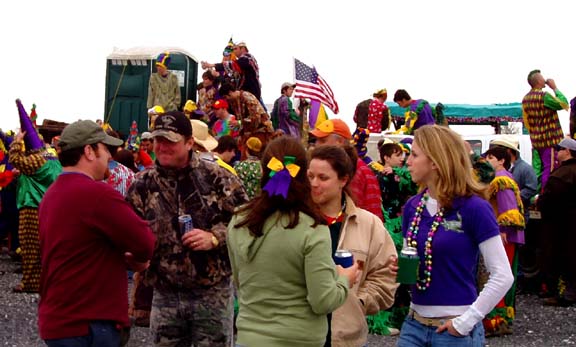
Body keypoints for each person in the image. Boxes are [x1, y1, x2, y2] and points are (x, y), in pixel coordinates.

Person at [126, 111, 248, 347]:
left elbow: (247, 223)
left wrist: (214, 237)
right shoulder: (142, 184)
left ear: (190, 143)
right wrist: (134, 256)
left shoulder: (218, 178)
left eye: (170, 141)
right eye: (158, 140)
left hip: (211, 293)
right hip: (165, 293)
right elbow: (131, 231)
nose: (161, 147)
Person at [227, 136, 359, 347]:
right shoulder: (313, 229)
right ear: (304, 175)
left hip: (249, 337)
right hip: (298, 339)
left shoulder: (239, 221)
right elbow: (322, 301)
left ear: (264, 171)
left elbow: (239, 281)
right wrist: (344, 280)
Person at [38, 120, 155, 346]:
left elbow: (79, 248)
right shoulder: (97, 193)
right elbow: (145, 242)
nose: (110, 156)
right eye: (105, 149)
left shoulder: (51, 195)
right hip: (90, 322)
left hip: (58, 319)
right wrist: (136, 260)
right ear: (89, 151)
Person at [397, 125, 514, 347]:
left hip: (454, 330)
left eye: (414, 154)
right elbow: (414, 264)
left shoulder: (474, 208)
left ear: (435, 161)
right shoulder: (413, 206)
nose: (407, 161)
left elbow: (502, 275)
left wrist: (466, 322)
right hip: (413, 324)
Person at [308, 144, 398, 346]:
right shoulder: (297, 221)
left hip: (346, 338)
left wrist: (359, 301)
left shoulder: (368, 224)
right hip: (302, 335)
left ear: (343, 180)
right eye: (310, 176)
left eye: (323, 178)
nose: (314, 183)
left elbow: (386, 274)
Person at [9, 100, 62, 293]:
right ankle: (48, 281)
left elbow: (14, 158)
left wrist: (16, 142)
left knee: (30, 248)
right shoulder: (52, 158)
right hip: (48, 207)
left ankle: (31, 283)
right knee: (46, 248)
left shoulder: (34, 159)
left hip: (31, 207)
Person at [481, 146, 525, 336]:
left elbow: (509, 209)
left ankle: (496, 321)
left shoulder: (501, 180)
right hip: (504, 235)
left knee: (498, 275)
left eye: (491, 157)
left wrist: (503, 229)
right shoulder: (504, 177)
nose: (488, 160)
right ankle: (500, 320)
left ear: (501, 161)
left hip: (502, 235)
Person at [310, 119, 384, 221]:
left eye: (323, 141)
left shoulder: (351, 169)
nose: (317, 144)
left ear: (340, 142)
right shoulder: (357, 166)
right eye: (316, 140)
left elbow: (348, 212)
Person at [537, 137, 576, 307]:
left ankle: (564, 295)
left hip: (561, 225)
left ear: (567, 151)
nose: (557, 152)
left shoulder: (562, 174)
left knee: (561, 257)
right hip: (570, 222)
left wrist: (540, 202)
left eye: (559, 149)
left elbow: (549, 201)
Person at [522, 69, 569, 190]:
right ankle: (545, 194)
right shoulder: (544, 96)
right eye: (542, 78)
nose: (545, 80)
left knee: (537, 171)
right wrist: (555, 88)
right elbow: (563, 104)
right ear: (538, 81)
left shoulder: (525, 99)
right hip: (550, 140)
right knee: (550, 169)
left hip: (536, 142)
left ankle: (534, 195)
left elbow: (527, 122)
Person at [490, 136, 537, 223]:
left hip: (518, 214)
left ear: (508, 150)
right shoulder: (500, 168)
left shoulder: (525, 168)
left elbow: (532, 188)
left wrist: (514, 198)